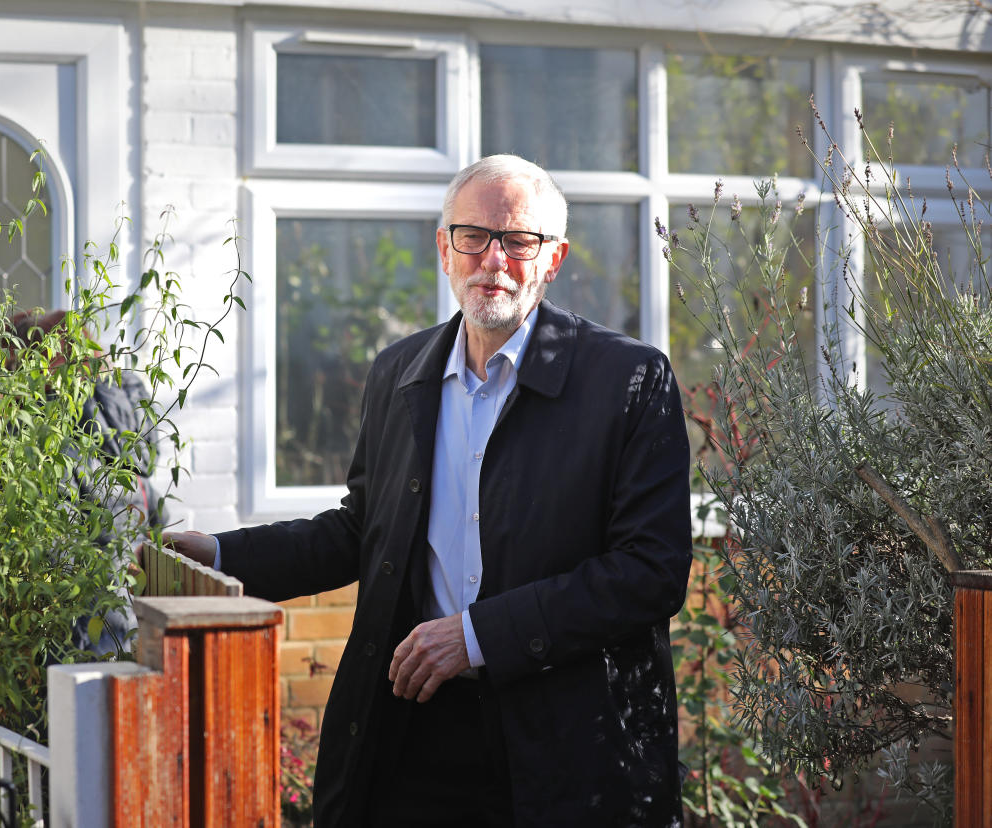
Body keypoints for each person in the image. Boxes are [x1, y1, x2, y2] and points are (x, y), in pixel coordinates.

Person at [164, 155, 693, 827]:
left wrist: (477, 636)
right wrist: (214, 555)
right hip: (414, 732)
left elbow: (649, 574)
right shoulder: (399, 373)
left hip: (564, 744)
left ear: (553, 258)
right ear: (444, 248)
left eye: (519, 240)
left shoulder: (629, 380)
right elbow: (362, 532)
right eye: (473, 235)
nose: (493, 259)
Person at [7, 309, 167, 657]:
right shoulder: (130, 440)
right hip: (133, 621)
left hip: (75, 637)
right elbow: (157, 518)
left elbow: (49, 551)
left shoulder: (48, 443)